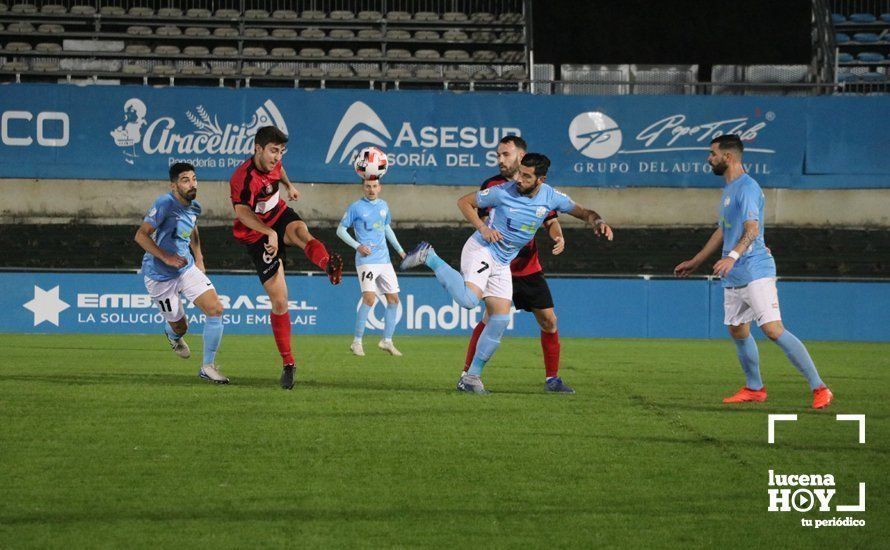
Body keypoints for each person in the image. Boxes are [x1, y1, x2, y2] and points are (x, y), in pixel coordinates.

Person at [401, 153, 613, 394]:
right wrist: (483, 228)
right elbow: (464, 202)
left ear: (540, 180)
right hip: (482, 249)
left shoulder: (551, 197)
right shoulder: (502, 191)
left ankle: (471, 378)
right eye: (520, 172)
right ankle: (429, 256)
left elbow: (585, 212)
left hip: (502, 262)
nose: (519, 179)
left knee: (499, 320)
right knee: (470, 301)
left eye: (526, 176)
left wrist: (598, 222)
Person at [674, 134, 833, 409]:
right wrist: (696, 261)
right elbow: (723, 231)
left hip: (754, 269)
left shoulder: (747, 188)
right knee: (738, 331)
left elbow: (752, 230)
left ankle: (820, 388)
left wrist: (732, 257)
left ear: (728, 157)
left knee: (772, 330)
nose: (708, 158)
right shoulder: (729, 190)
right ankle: (755, 388)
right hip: (735, 274)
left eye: (712, 153)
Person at [230, 126, 343, 390]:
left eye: (281, 151)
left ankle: (327, 264)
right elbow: (242, 213)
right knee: (280, 301)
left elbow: (279, 171)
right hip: (255, 234)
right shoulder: (242, 178)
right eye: (272, 151)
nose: (276, 157)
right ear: (257, 148)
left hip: (278, 215)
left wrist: (289, 187)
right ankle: (289, 363)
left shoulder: (275, 163)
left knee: (302, 233)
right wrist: (267, 232)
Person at [462, 135, 573, 393]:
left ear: (521, 157)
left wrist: (558, 235)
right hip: (496, 265)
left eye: (505, 154)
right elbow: (475, 215)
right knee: (491, 318)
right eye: (498, 155)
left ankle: (552, 379)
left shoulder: (539, 190)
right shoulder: (493, 186)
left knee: (549, 320)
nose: (500, 160)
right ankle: (467, 374)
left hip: (527, 267)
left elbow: (550, 220)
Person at [135, 162, 228, 384]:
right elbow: (141, 235)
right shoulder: (165, 203)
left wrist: (199, 258)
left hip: (185, 268)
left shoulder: (195, 207)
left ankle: (208, 366)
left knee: (215, 309)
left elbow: (192, 230)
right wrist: (166, 257)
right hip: (159, 276)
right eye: (185, 180)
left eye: (194, 178)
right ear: (174, 185)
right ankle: (173, 335)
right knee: (181, 326)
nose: (192, 183)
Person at [337, 177, 407, 357]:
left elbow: (386, 228)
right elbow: (340, 230)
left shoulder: (384, 205)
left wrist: (400, 250)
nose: (371, 189)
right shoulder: (355, 207)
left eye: (374, 186)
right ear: (363, 188)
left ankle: (387, 341)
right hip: (366, 260)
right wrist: (357, 246)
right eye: (368, 186)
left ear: (380, 187)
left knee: (394, 300)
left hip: (384, 261)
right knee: (369, 299)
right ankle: (357, 342)